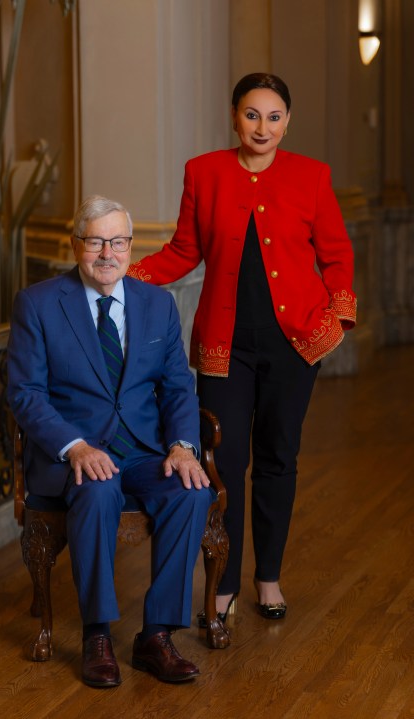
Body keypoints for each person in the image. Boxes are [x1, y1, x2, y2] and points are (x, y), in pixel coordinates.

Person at [128, 73, 357, 623]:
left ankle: (269, 578)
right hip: (223, 347)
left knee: (279, 458)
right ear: (234, 116)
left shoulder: (312, 176)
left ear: (287, 122)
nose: (263, 127)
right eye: (252, 115)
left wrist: (337, 315)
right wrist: (125, 274)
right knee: (223, 464)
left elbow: (336, 255)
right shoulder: (203, 172)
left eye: (274, 117)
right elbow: (184, 250)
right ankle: (224, 581)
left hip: (294, 344)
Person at [7, 195, 213, 688]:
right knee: (97, 490)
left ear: (129, 246)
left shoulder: (156, 302)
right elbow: (25, 393)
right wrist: (74, 446)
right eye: (96, 240)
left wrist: (182, 445)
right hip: (75, 454)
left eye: (118, 242)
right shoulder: (38, 303)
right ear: (77, 244)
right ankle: (97, 635)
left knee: (192, 491)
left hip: (142, 451)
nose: (107, 253)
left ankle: (156, 636)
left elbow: (178, 384)